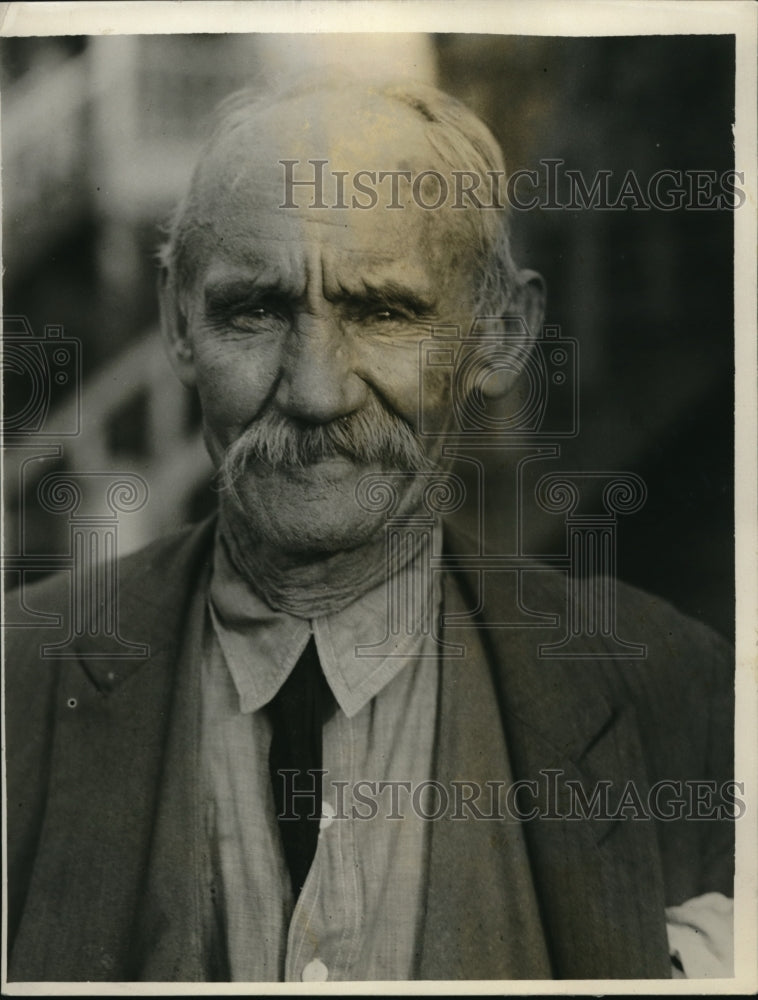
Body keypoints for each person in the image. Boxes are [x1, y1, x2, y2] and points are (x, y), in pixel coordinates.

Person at [5, 76, 735, 983]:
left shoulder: (681, 694)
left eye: (383, 311)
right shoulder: (16, 683)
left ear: (501, 334)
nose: (316, 391)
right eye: (256, 310)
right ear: (178, 325)